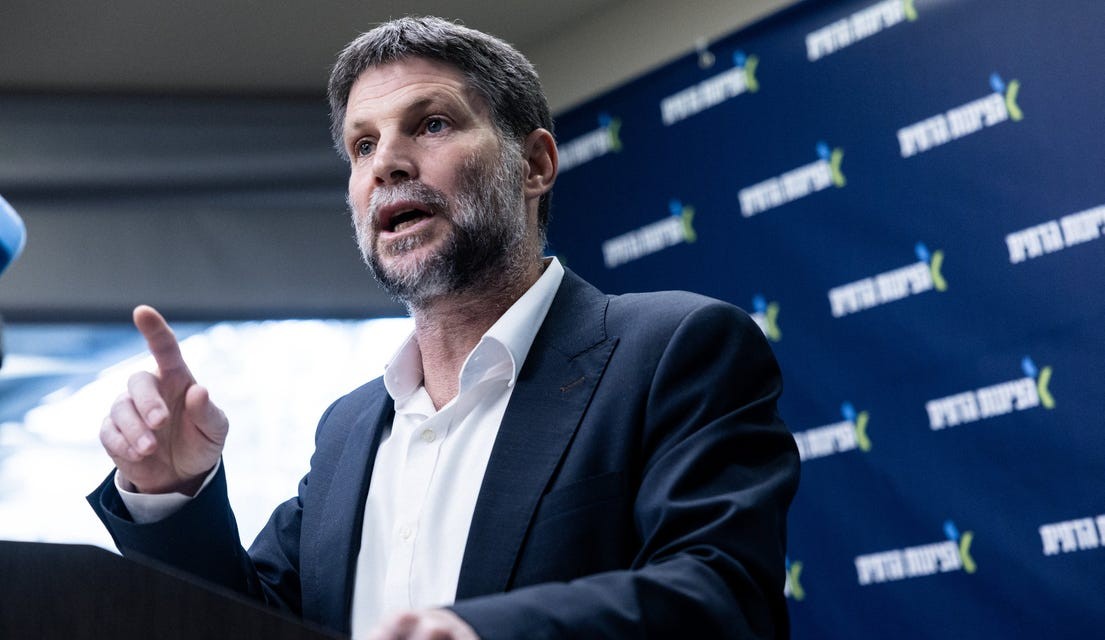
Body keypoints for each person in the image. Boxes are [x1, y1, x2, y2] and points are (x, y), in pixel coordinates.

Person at [89, 16, 800, 640]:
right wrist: (171, 492)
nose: (386, 164)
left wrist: (481, 632)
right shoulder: (346, 430)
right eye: (362, 146)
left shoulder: (674, 350)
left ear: (534, 164)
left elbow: (724, 596)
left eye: (430, 124)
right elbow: (249, 624)